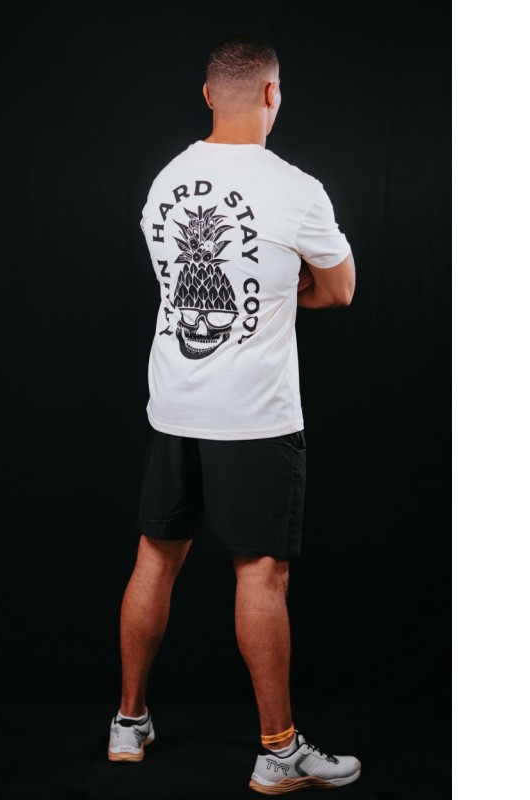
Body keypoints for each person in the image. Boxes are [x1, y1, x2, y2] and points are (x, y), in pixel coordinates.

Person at [107, 35, 361, 794]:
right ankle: (278, 752)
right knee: (261, 575)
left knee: (155, 557)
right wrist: (283, 293)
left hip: (173, 405)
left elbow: (176, 284)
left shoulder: (166, 181)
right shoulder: (297, 189)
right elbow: (340, 290)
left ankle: (128, 723)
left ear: (209, 95)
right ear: (273, 94)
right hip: (254, 415)